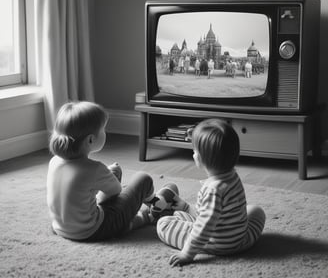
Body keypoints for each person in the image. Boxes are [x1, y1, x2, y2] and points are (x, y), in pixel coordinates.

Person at [156, 118, 266, 267]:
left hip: (217, 243)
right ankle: (185, 209)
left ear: (201, 159)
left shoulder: (212, 190)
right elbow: (213, 213)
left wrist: (187, 253)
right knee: (257, 211)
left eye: (194, 151)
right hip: (241, 238)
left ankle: (181, 218)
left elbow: (204, 226)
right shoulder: (232, 175)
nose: (193, 154)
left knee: (163, 223)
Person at [47, 101, 157, 242]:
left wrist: (108, 174)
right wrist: (109, 175)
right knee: (143, 179)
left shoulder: (54, 161)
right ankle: (154, 205)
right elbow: (115, 192)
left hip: (61, 228)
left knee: (114, 175)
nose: (105, 132)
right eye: (103, 129)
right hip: (94, 230)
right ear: (91, 140)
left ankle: (133, 219)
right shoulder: (95, 169)